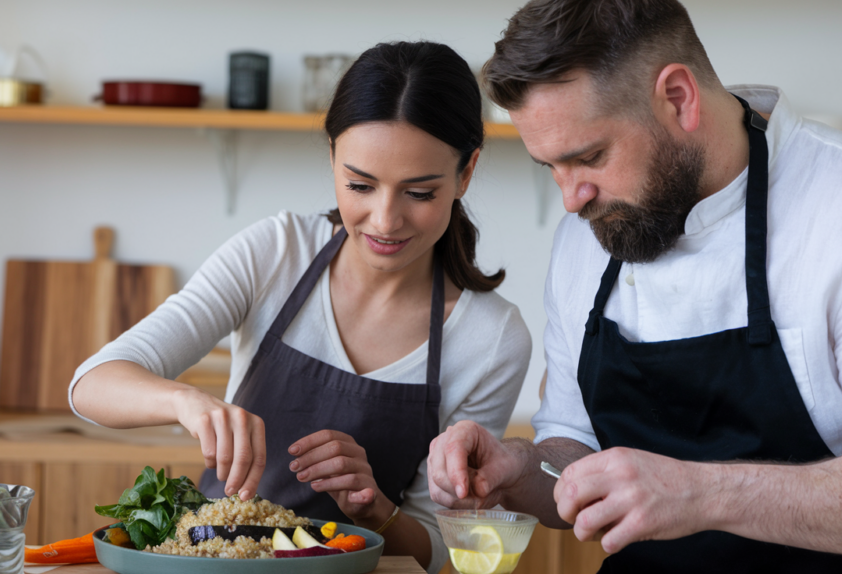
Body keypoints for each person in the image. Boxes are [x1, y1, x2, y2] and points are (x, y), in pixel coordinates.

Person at [427, 1, 842, 572]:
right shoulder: (592, 230)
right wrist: (518, 467)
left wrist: (702, 494)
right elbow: (571, 452)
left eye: (589, 156)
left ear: (678, 98)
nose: (571, 199)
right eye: (549, 167)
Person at [70, 41, 531, 573]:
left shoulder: (493, 339)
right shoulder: (275, 253)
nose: (384, 220)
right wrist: (186, 403)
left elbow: (437, 549)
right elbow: (91, 384)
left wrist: (373, 506)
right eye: (359, 184)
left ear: (466, 172)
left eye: (419, 193)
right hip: (212, 562)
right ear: (332, 156)